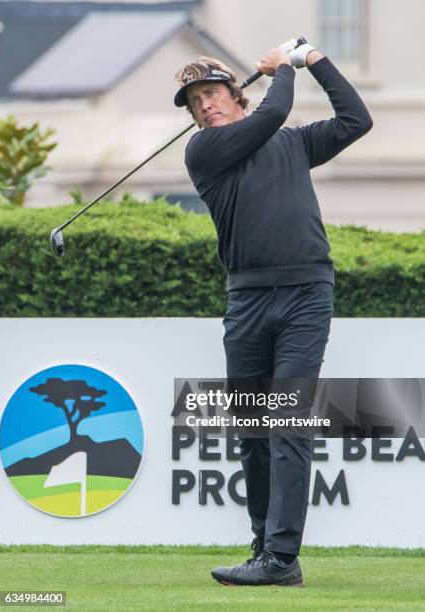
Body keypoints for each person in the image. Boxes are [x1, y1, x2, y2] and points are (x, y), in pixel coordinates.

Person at [174, 39, 372, 586]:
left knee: (286, 422)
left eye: (211, 93)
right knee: (253, 431)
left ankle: (282, 559)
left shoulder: (292, 144)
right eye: (195, 102)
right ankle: (264, 546)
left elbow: (357, 119)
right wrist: (284, 67)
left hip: (307, 295)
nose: (204, 106)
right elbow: (275, 110)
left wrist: (317, 62)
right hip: (247, 302)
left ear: (236, 94)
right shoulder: (203, 152)